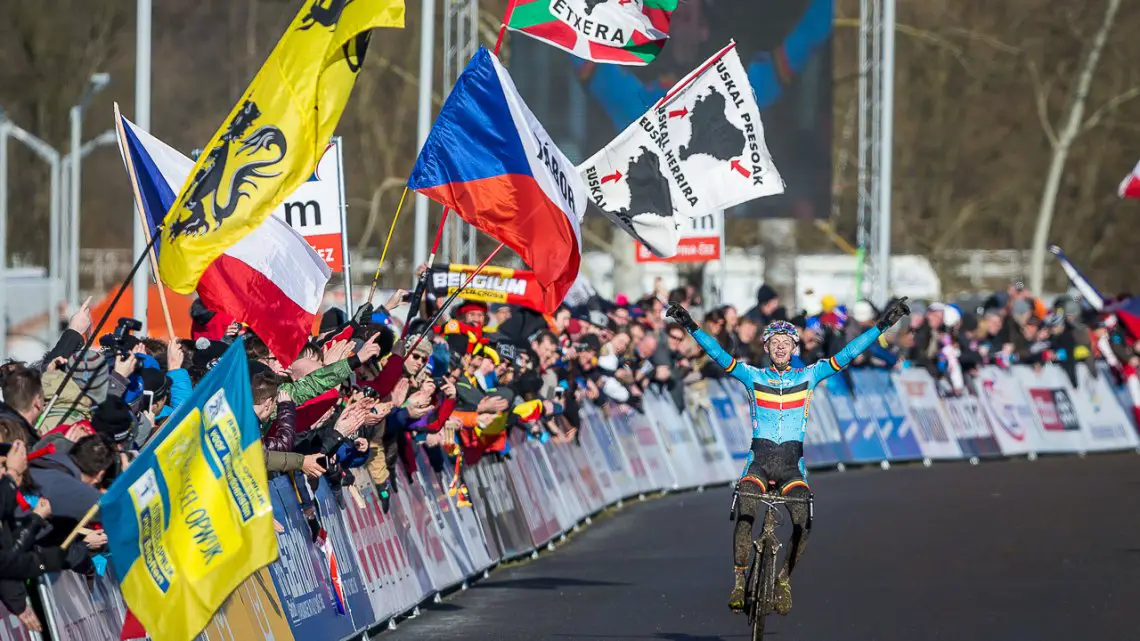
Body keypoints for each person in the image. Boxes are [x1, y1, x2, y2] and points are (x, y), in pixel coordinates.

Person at [667, 297, 911, 615]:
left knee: (802, 524)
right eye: (775, 343)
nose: (780, 348)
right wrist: (689, 325)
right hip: (759, 460)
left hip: (791, 465)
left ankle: (783, 580)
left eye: (786, 343)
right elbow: (717, 353)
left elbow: (849, 353)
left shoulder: (809, 375)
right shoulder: (752, 376)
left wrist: (883, 324)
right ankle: (739, 583)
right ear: (767, 347)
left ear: (794, 348)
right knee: (745, 509)